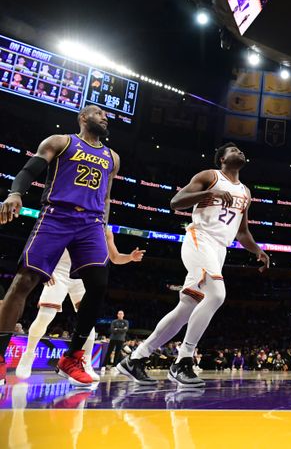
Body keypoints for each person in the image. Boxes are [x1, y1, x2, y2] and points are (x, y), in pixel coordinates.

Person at [116, 142, 269, 387]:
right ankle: (184, 360)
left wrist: (258, 250)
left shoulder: (246, 192)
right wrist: (210, 194)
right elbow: (176, 202)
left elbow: (242, 232)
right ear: (221, 159)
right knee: (217, 294)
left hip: (220, 249)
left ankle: (135, 359)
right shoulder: (210, 176)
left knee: (185, 309)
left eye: (241, 150)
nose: (239, 151)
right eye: (233, 149)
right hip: (200, 238)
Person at [0, 105, 120, 386]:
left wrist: (103, 226)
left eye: (106, 115)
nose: (105, 117)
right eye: (98, 113)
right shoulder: (61, 141)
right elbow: (30, 169)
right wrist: (16, 193)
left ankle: (72, 357)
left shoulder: (112, 158)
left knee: (99, 285)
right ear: (83, 117)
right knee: (24, 281)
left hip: (91, 223)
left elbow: (106, 197)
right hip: (57, 215)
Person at [15, 231, 144, 381]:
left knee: (87, 321)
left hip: (82, 276)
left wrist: (130, 257)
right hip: (59, 272)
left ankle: (86, 363)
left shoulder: (105, 230)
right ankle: (29, 353)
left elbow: (114, 257)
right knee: (44, 316)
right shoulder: (67, 216)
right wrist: (46, 270)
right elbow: (46, 245)